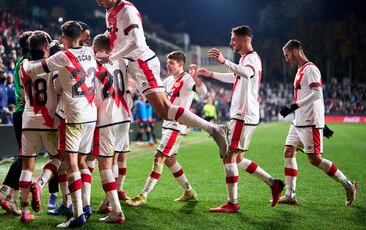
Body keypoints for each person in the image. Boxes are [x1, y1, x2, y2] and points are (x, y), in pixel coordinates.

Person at [90, 0, 227, 158]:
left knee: (164, 109)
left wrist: (112, 56)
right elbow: (116, 35)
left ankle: (213, 129)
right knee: (162, 110)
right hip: (132, 64)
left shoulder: (127, 10)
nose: (99, 3)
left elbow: (136, 42)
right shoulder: (110, 12)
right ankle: (213, 128)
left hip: (142, 62)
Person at [198, 25, 284, 214]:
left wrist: (224, 61)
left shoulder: (251, 59)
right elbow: (236, 76)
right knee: (238, 159)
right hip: (244, 115)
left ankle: (232, 203)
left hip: (243, 115)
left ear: (245, 39)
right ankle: (273, 183)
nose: (231, 42)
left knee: (229, 157)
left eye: (234, 39)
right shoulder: (245, 59)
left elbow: (246, 73)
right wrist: (212, 74)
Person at [24, 21, 98, 227]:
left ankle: (77, 214)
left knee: (71, 164)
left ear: (64, 37)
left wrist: (24, 63)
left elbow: (33, 70)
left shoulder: (62, 56)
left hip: (74, 116)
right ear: (82, 36)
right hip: (91, 114)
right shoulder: (90, 52)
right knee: (82, 163)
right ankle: (86, 206)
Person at [278, 39, 358, 205]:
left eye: (287, 55)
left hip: (309, 122)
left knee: (315, 160)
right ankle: (290, 195)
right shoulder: (300, 70)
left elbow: (316, 94)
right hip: (298, 121)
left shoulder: (311, 69)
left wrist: (294, 106)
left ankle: (348, 185)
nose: (287, 59)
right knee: (288, 152)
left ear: (295, 51)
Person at [126, 51, 207, 207]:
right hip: (166, 123)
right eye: (167, 63)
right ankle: (188, 191)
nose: (168, 66)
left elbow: (203, 93)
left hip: (176, 125)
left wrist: (196, 77)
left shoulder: (187, 79)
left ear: (181, 64)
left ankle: (143, 195)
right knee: (170, 160)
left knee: (159, 158)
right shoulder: (168, 80)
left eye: (172, 63)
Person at [18, 30, 61, 224]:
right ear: (45, 47)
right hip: (49, 122)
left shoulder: (23, 67)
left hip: (28, 120)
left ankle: (25, 211)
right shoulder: (53, 66)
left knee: (27, 166)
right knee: (59, 159)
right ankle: (41, 183)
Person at [90, 33, 129, 222]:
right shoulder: (121, 59)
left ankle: (117, 211)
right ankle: (107, 202)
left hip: (107, 118)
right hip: (124, 117)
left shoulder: (93, 62)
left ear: (97, 50)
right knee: (112, 161)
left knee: (104, 164)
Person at [0, 31, 32, 215]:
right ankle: (6, 192)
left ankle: (10, 196)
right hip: (23, 112)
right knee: (26, 156)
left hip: (20, 113)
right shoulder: (27, 63)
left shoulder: (20, 62)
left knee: (25, 157)